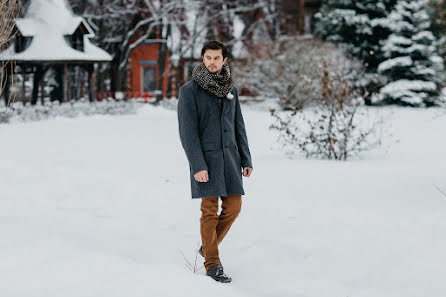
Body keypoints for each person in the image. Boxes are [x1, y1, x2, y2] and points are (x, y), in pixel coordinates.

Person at [177, 40, 253, 283]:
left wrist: (246, 158)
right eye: (208, 57)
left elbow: (238, 125)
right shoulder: (189, 91)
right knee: (209, 212)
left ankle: (207, 247)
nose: (212, 62)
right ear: (203, 59)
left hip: (230, 159)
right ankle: (213, 264)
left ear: (224, 60)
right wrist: (197, 165)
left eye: (216, 58)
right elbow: (187, 132)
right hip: (206, 162)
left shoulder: (232, 89)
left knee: (234, 208)